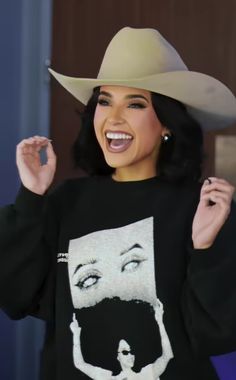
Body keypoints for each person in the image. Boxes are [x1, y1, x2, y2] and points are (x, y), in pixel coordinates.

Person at [0, 26, 236, 380]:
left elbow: (216, 334)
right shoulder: (66, 201)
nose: (113, 118)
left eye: (136, 104)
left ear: (166, 124)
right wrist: (31, 198)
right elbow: (16, 297)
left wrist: (204, 249)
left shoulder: (202, 208)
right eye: (105, 101)